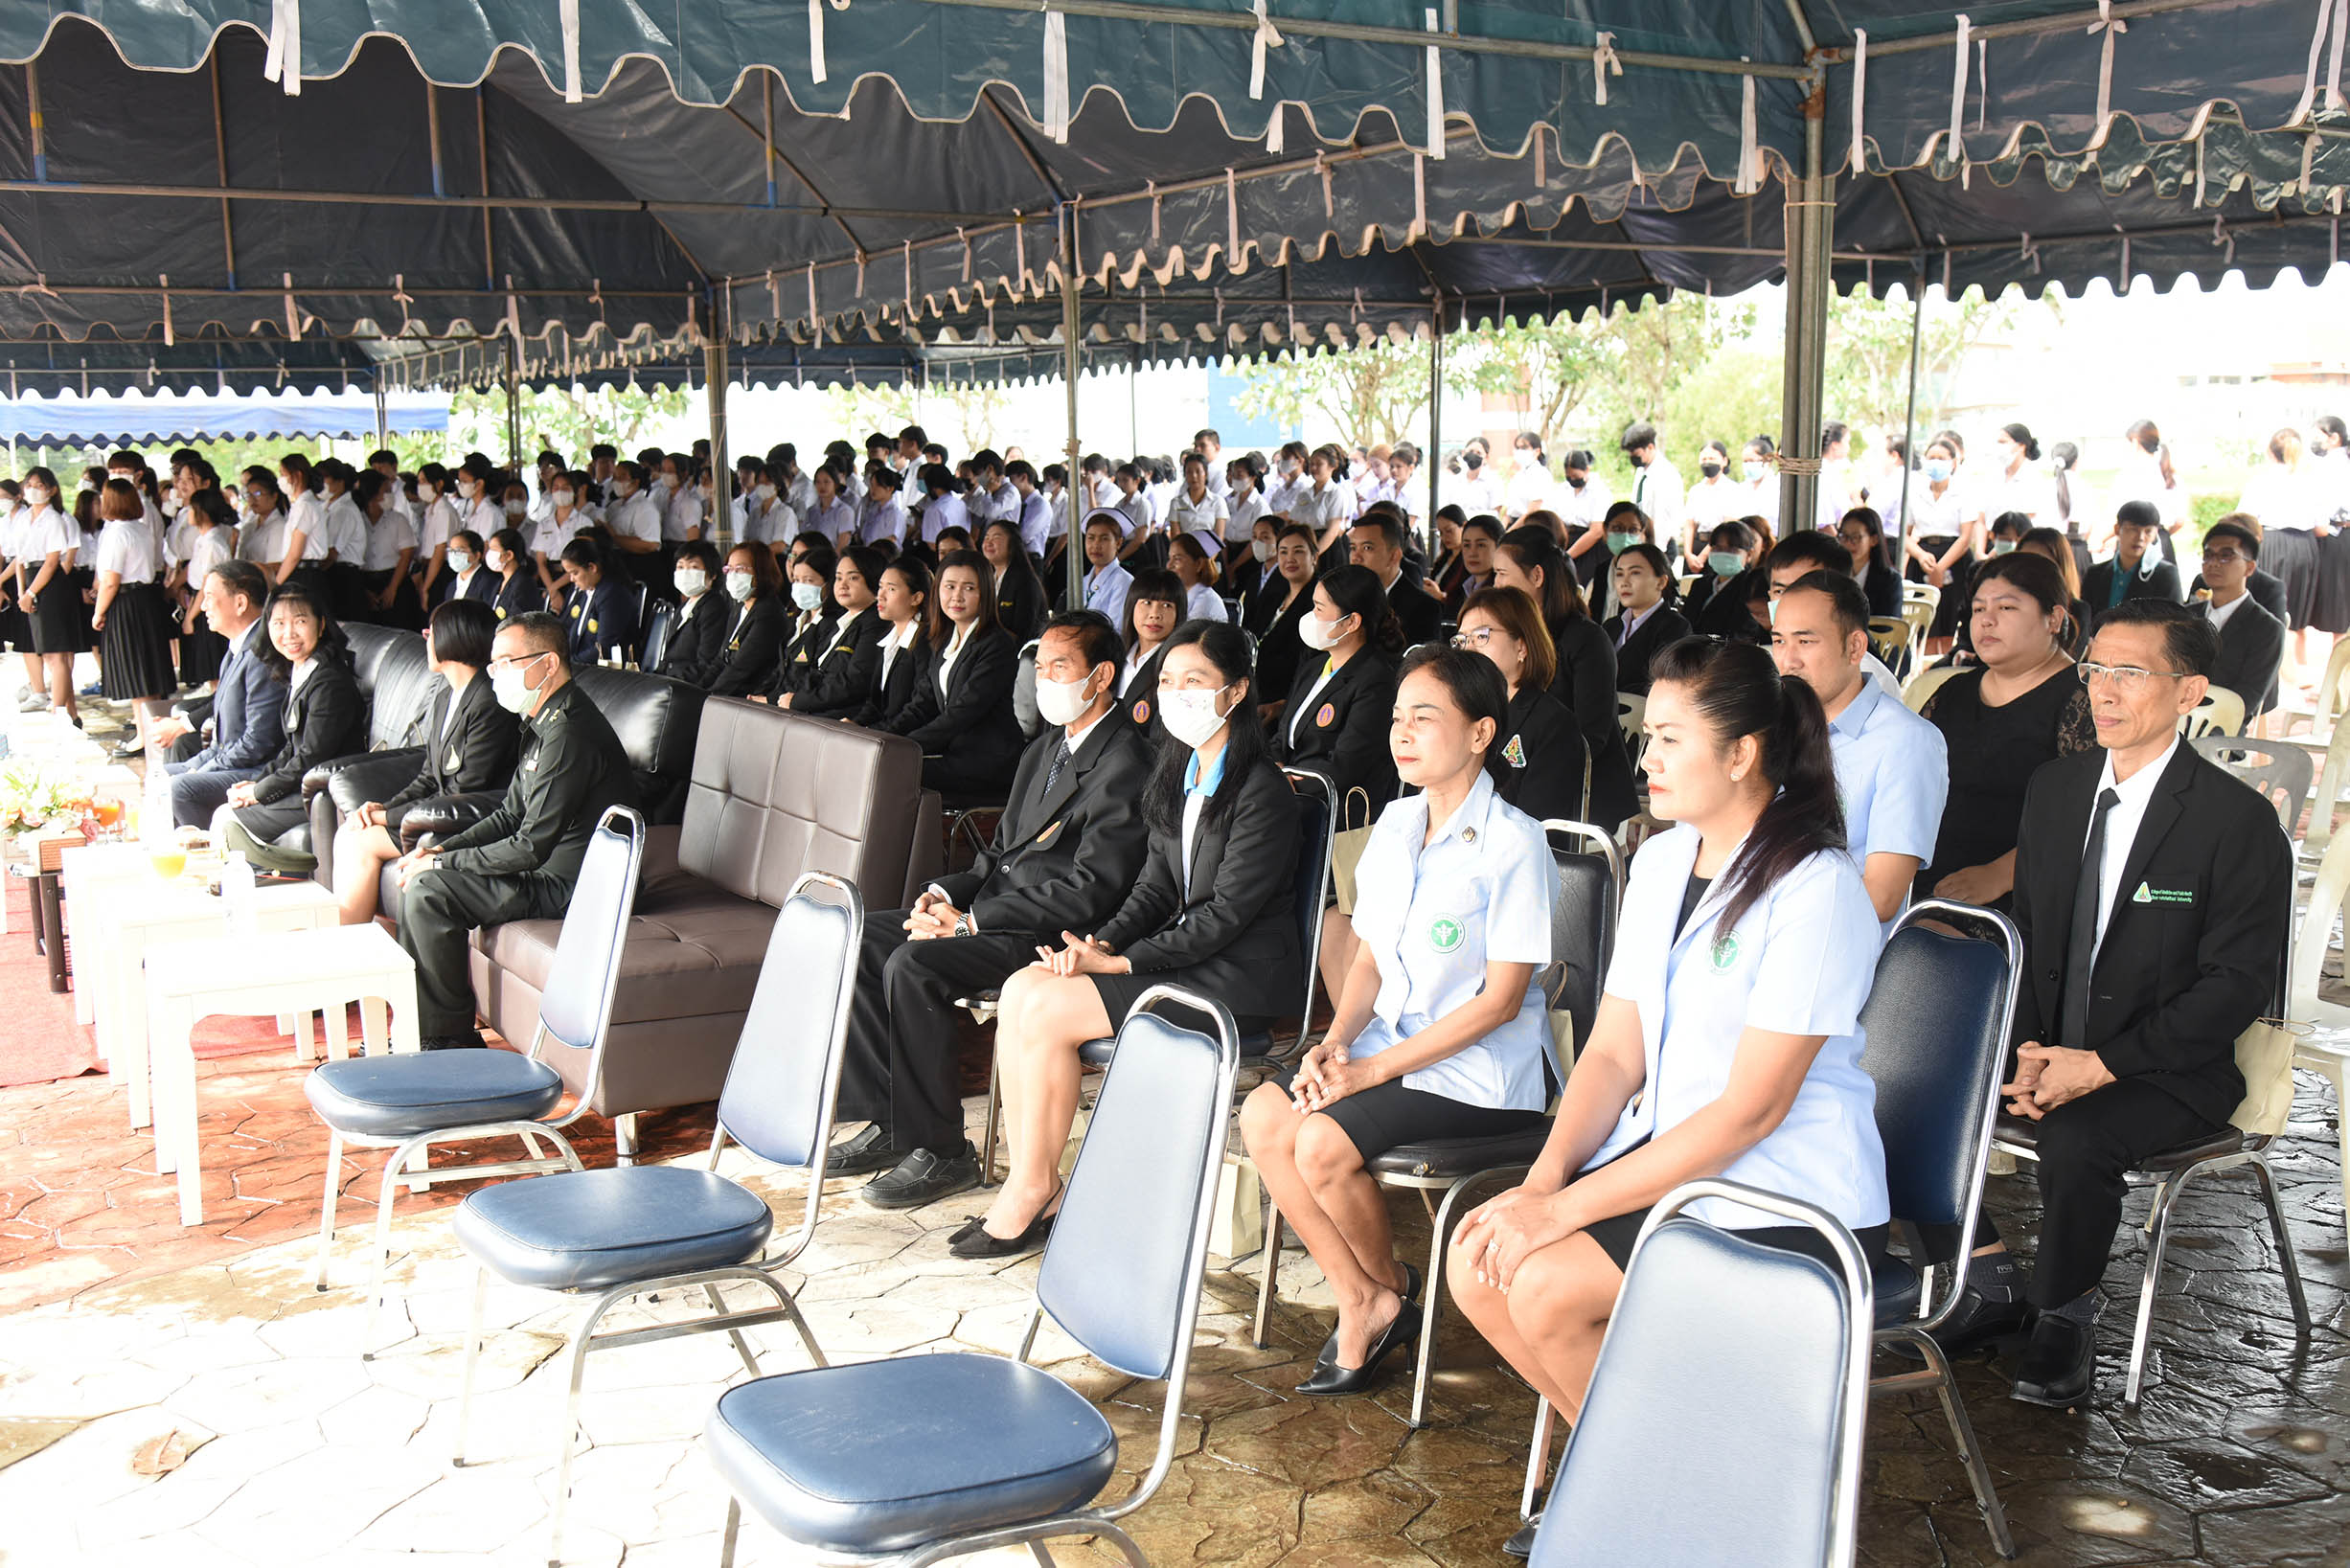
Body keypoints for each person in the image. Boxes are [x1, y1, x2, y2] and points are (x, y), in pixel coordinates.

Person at [1449, 636, 1886, 1557]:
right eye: (1646, 735)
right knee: (1477, 1260)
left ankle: (1653, 1497)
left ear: (1741, 753)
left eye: (1669, 738)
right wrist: (1542, 1183)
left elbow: (1750, 1112)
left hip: (1783, 1194)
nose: (1644, 757)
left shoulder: (1816, 888)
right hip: (1673, 1168)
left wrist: (1561, 1213)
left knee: (1545, 1288)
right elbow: (1613, 1051)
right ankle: (1652, 1482)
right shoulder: (1658, 862)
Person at [1938, 602, 2290, 1408]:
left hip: (2170, 1070)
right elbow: (2030, 933)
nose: (2102, 690)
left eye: (2130, 673)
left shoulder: (2234, 821)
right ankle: (1985, 1278)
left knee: (2076, 1136)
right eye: (2096, 668)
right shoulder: (2056, 789)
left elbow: (2234, 985)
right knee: (1913, 1085)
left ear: (2188, 690)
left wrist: (2098, 1064)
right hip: (2055, 1044)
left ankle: (2062, 1316)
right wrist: (2026, 1050)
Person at [1243, 643, 1561, 1393]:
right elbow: (1369, 958)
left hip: (1481, 1068)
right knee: (1263, 1115)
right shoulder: (1393, 823)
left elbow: (1500, 1002)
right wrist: (1335, 1042)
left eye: (1424, 716)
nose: (1402, 732)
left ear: (1480, 733)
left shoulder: (1513, 842)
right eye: (1396, 717)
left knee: (1320, 1142)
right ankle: (1367, 1294)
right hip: (1387, 1045)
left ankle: (1377, 1295)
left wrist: (1371, 1069)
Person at [970, 621, 1303, 1258]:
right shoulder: (1177, 772)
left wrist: (1122, 963)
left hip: (1237, 978)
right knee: (1024, 986)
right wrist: (1095, 945)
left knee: (1048, 1009)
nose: (1176, 695)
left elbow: (1224, 917)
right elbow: (1151, 889)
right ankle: (1032, 1181)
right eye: (1168, 680)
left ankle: (1034, 1187)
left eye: (1194, 681)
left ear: (1235, 692)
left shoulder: (1261, 791)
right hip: (1184, 957)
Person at [825, 611, 1154, 1208]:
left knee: (912, 965)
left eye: (1060, 667)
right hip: (995, 912)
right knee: (861, 938)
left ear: (1102, 675)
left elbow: (1092, 890)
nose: (1045, 680)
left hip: (1051, 934)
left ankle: (941, 1150)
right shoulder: (1046, 748)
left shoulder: (1125, 762)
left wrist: (970, 923)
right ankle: (890, 1118)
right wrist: (945, 895)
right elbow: (999, 854)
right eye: (1041, 667)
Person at [390, 611, 638, 1050]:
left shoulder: (568, 733)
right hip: (547, 871)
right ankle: (420, 1027)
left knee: (430, 892)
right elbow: (509, 815)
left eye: (507, 662)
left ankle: (446, 1040)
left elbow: (528, 847)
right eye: (494, 664)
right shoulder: (543, 721)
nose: (496, 674)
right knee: (424, 877)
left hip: (573, 886)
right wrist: (441, 850)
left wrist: (442, 864)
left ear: (548, 663)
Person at [1769, 570, 1950, 934]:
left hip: (1834, 944)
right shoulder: (1771, 726)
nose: (1788, 660)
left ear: (1855, 648)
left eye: (1805, 641)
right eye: (1778, 641)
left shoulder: (1906, 742)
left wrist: (1771, 913)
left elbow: (1881, 898)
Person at [1917, 552, 2096, 908]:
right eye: (1979, 609)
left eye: (2006, 608)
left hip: (2023, 894)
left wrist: (2000, 875)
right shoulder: (1952, 692)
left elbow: (2088, 815)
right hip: (1925, 877)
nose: (1987, 620)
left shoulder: (2084, 701)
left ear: (2054, 619)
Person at [331, 598, 520, 925]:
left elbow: (465, 788)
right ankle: (366, 939)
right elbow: (428, 777)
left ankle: (349, 940)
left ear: (453, 636)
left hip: (469, 819)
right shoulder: (446, 696)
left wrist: (386, 817)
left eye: (431, 632)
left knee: (358, 841)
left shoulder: (489, 701)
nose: (426, 638)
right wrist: (382, 808)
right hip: (434, 812)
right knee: (351, 831)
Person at [216, 584, 368, 868]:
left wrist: (260, 792)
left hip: (324, 792)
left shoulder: (330, 682)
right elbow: (292, 747)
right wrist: (259, 783)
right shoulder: (301, 670)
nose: (289, 634)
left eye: (300, 621)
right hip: (303, 785)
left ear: (321, 625)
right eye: (279, 623)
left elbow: (312, 757)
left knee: (226, 820)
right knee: (226, 813)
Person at [1492, 529, 1635, 829]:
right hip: (1519, 780)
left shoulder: (1587, 639)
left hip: (1580, 792)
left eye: (1502, 574)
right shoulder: (1510, 638)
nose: (1496, 585)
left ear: (1537, 576)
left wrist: (1532, 775)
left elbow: (1591, 735)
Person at [155, 562, 286, 827]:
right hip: (236, 762)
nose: (203, 606)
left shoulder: (262, 653)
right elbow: (222, 742)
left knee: (181, 787)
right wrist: (198, 765)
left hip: (261, 771)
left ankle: (206, 850)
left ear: (240, 603)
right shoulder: (237, 649)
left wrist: (201, 771)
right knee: (159, 778)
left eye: (209, 597)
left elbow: (258, 742)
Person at [884, 551, 1025, 793]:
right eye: (949, 587)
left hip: (988, 760)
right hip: (954, 751)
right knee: (884, 764)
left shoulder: (997, 644)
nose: (956, 596)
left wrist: (906, 747)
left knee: (893, 771)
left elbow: (962, 713)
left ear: (985, 593)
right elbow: (921, 705)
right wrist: (883, 737)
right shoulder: (943, 640)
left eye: (969, 588)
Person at [1270, 564, 1402, 819]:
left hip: (1334, 811)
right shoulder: (1314, 666)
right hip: (1287, 796)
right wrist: (1274, 771)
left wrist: (1287, 787)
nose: (1312, 617)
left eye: (1319, 609)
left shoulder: (1376, 681)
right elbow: (1281, 735)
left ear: (1352, 622)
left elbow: (1346, 766)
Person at [1458, 585, 1586, 825]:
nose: (1468, 649)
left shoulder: (1553, 724)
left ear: (1522, 647)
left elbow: (1539, 823)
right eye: (1462, 640)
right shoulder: (1459, 713)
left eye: (1481, 636)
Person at [1763, 533, 1904, 698]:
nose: (1790, 601)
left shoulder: (1873, 683)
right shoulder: (1762, 664)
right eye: (1780, 591)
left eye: (1805, 589)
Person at [87, 476, 176, 729]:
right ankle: (151, 730)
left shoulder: (116, 532)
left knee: (136, 672)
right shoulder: (140, 529)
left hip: (126, 602)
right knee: (149, 671)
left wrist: (98, 612)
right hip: (146, 598)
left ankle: (144, 733)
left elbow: (110, 581)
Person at [2193, 518, 2287, 724]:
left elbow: (2247, 698)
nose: (2214, 563)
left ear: (2249, 568)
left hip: (2223, 731)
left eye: (2226, 556)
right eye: (2208, 556)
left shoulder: (2267, 628)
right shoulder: (2185, 617)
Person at [15, 466, 82, 722]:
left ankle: (59, 711)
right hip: (31, 579)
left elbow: (53, 561)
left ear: (52, 490)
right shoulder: (24, 519)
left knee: (57, 654)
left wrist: (31, 592)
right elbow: (20, 559)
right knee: (47, 652)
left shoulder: (54, 519)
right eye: (29, 485)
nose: (33, 490)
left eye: (39, 485)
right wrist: (23, 592)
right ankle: (69, 713)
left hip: (50, 584)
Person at [1603, 542, 1688, 697]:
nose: (1624, 582)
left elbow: (1665, 685)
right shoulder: (1611, 626)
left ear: (1661, 582)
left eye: (1635, 573)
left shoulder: (1676, 628)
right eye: (1619, 574)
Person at [1349, 510, 1444, 647]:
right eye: (1353, 548)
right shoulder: (1346, 597)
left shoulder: (1425, 608)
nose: (1355, 557)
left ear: (1394, 556)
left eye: (1367, 548)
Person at [2081, 502, 2183, 626]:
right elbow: (2085, 621)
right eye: (2133, 529)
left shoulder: (2165, 575)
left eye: (2148, 531)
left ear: (2155, 534)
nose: (2140, 537)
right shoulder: (2095, 574)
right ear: (2117, 529)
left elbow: (2175, 623)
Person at [1112, 568, 1184, 740]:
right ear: (1131, 606)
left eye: (1166, 605)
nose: (1155, 615)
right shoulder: (1114, 656)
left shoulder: (1176, 668)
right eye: (1147, 602)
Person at [652, 540, 730, 687]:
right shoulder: (684, 607)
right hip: (670, 681)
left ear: (713, 574)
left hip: (687, 687)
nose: (685, 573)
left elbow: (706, 664)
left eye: (694, 567)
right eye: (680, 567)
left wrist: (669, 686)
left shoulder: (713, 607)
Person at [771, 542, 840, 701]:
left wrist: (771, 699)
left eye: (808, 581)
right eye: (796, 580)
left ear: (829, 583)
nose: (800, 587)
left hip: (798, 704)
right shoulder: (795, 619)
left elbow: (812, 677)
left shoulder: (833, 624)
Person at [557, 536, 640, 666]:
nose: (572, 579)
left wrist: (568, 664)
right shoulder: (588, 590)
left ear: (592, 567)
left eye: (575, 573)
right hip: (583, 663)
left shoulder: (613, 595)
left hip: (608, 669)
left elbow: (604, 648)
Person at [1620, 421, 1685, 562]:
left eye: (1636, 454)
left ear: (1650, 447)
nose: (1632, 457)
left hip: (1660, 545)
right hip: (1641, 541)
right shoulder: (1641, 471)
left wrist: (1655, 550)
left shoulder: (1666, 473)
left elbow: (1663, 517)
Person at [980, 517, 1047, 642]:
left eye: (996, 538)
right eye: (986, 537)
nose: (988, 542)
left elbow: (1024, 633)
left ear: (1012, 544)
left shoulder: (1025, 581)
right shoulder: (989, 578)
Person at [1837, 506, 1905, 618]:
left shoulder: (1890, 580)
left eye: (1856, 537)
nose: (1848, 543)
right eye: (1844, 536)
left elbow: (1889, 624)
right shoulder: (1833, 574)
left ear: (1874, 540)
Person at [1072, 510, 1133, 627]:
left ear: (1118, 543)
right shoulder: (1083, 581)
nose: (1096, 545)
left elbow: (1115, 628)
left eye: (1104, 539)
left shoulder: (1124, 581)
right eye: (1091, 538)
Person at [484, 527, 544, 623]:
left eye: (494, 550)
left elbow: (519, 620)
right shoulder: (500, 582)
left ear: (509, 555)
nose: (489, 554)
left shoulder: (524, 584)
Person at [1168, 532, 1226, 624]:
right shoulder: (1177, 595)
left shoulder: (1206, 602)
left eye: (1177, 559)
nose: (1169, 565)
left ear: (1199, 564)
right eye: (1169, 558)